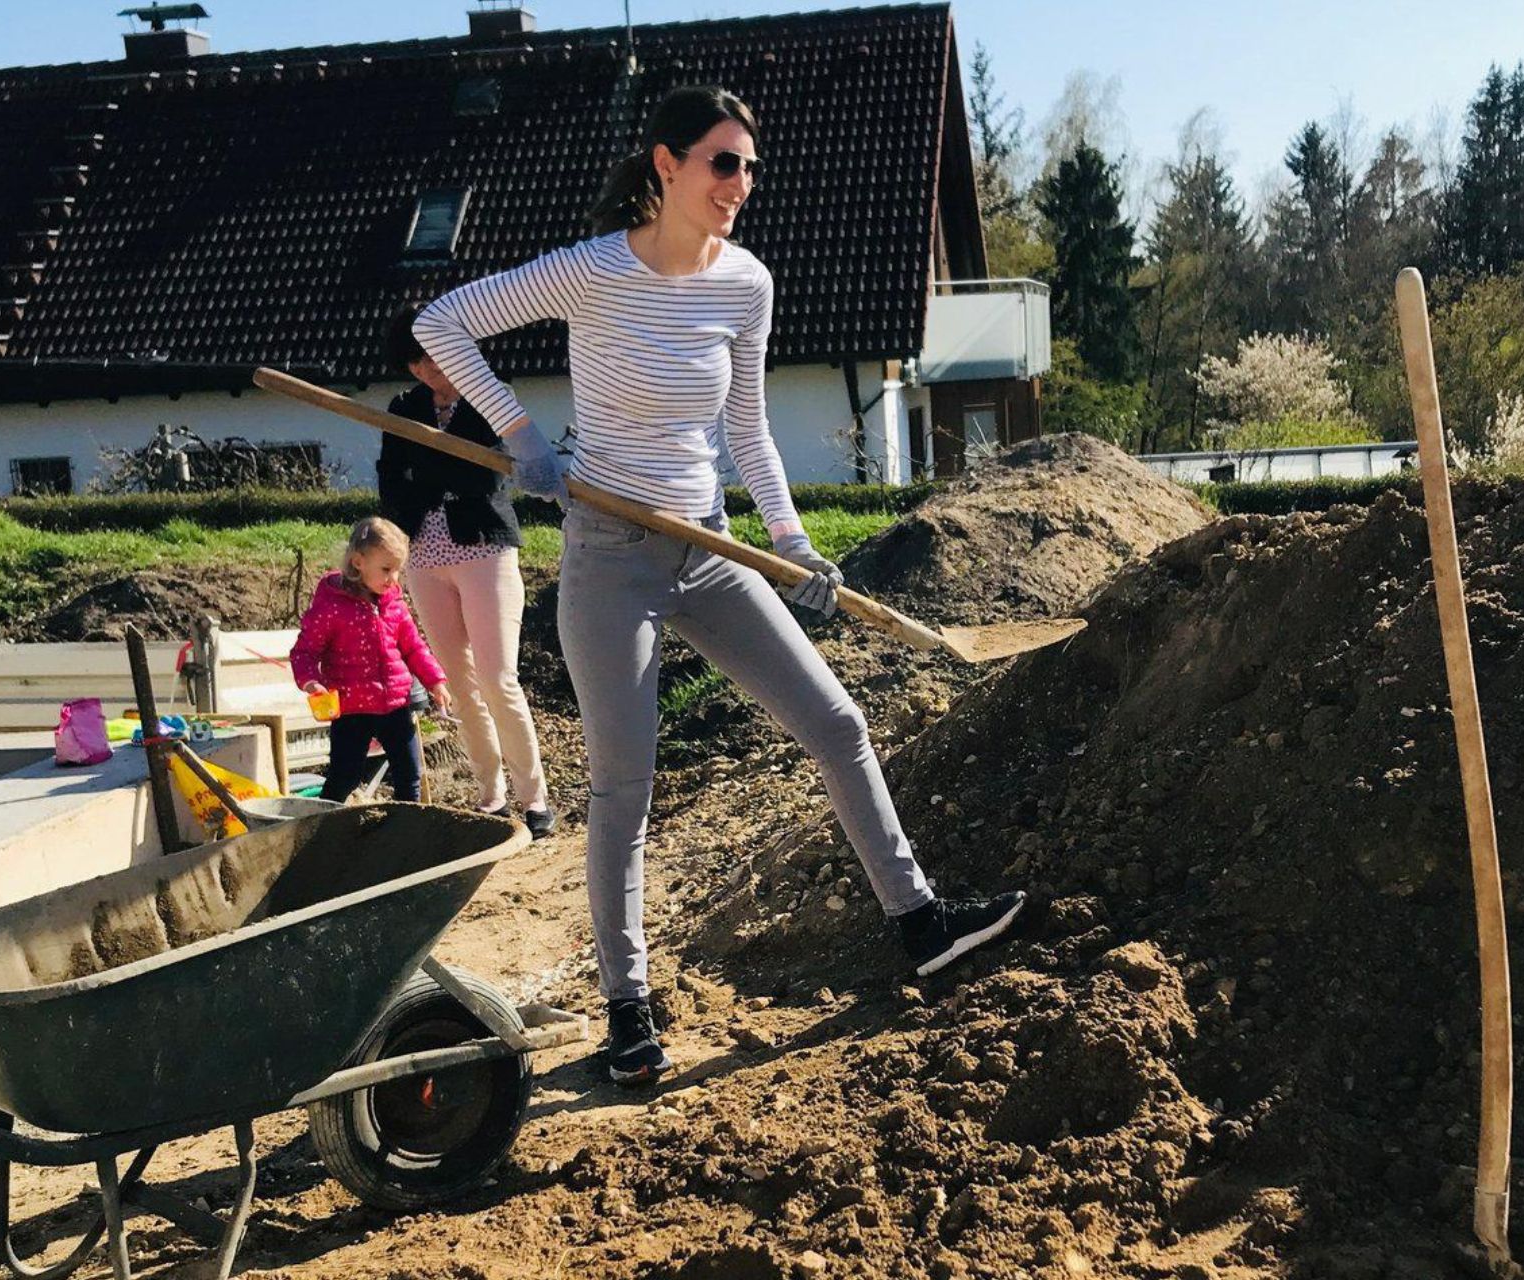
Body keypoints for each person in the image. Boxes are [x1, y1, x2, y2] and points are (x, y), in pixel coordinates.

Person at [414, 86, 1025, 1087]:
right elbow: (446, 322)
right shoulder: (593, 269)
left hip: (710, 551)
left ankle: (919, 923)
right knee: (623, 789)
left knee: (837, 724)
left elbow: (746, 431)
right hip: (610, 560)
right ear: (667, 165)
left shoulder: (746, 284)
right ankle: (628, 1009)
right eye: (722, 163)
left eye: (749, 167)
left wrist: (792, 541)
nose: (741, 184)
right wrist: (515, 429)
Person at [377, 305, 556, 836]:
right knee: (460, 679)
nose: (433, 371)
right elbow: (392, 482)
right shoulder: (401, 408)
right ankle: (491, 793)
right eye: (422, 364)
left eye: (439, 358)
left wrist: (427, 470)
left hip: (485, 549)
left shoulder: (488, 397)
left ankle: (535, 797)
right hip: (425, 557)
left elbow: (486, 477)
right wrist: (437, 473)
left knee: (500, 680)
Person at [291, 516, 450, 804]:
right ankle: (326, 829)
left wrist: (435, 680)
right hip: (352, 708)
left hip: (395, 704)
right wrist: (310, 681)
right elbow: (305, 651)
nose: (393, 579)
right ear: (358, 562)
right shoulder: (332, 607)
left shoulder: (394, 605)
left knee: (409, 773)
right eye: (386, 569)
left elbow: (414, 647)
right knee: (344, 775)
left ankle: (405, 832)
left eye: (398, 571)